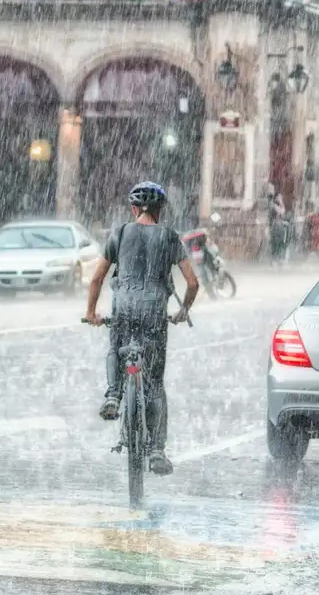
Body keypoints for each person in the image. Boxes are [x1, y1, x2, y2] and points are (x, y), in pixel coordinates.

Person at [83, 181, 200, 476]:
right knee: (155, 384)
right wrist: (182, 310)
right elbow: (193, 282)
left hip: (123, 308)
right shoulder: (170, 237)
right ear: (160, 211)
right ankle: (157, 450)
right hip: (154, 314)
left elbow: (97, 279)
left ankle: (113, 394)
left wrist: (91, 312)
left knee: (115, 347)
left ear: (133, 209)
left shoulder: (120, 233)